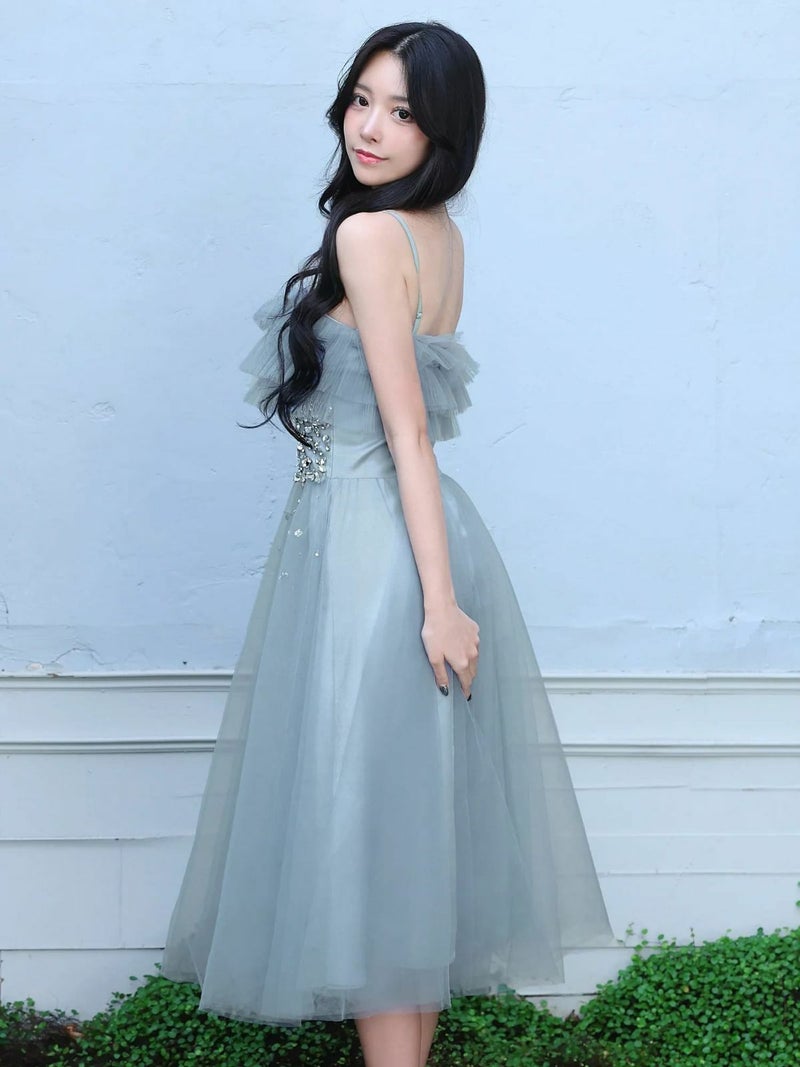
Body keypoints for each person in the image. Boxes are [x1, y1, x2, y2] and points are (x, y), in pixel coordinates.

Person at [160, 20, 614, 1067]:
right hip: (415, 537)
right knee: (406, 833)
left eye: (402, 111)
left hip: (374, 551)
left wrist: (436, 603)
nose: (369, 127)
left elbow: (407, 431)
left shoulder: (371, 237)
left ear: (442, 131)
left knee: (365, 835)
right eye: (362, 99)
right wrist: (443, 590)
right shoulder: (435, 234)